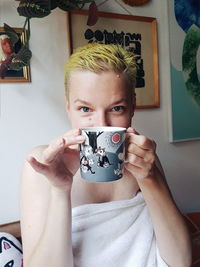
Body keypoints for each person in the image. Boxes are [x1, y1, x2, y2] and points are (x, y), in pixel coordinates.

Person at [20, 43, 192, 267]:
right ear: (68, 109)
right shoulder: (43, 165)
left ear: (132, 107)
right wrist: (60, 190)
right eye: (85, 109)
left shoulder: (143, 160)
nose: (102, 125)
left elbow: (181, 262)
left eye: (116, 108)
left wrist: (150, 179)